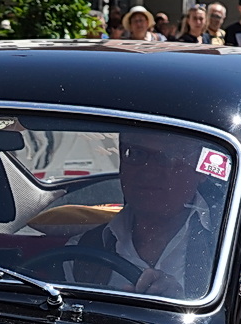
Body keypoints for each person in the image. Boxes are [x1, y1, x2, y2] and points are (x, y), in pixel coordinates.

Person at [64, 128, 228, 299]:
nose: (149, 172)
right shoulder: (80, 253)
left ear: (200, 169)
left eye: (169, 156)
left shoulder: (231, 244)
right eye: (135, 154)